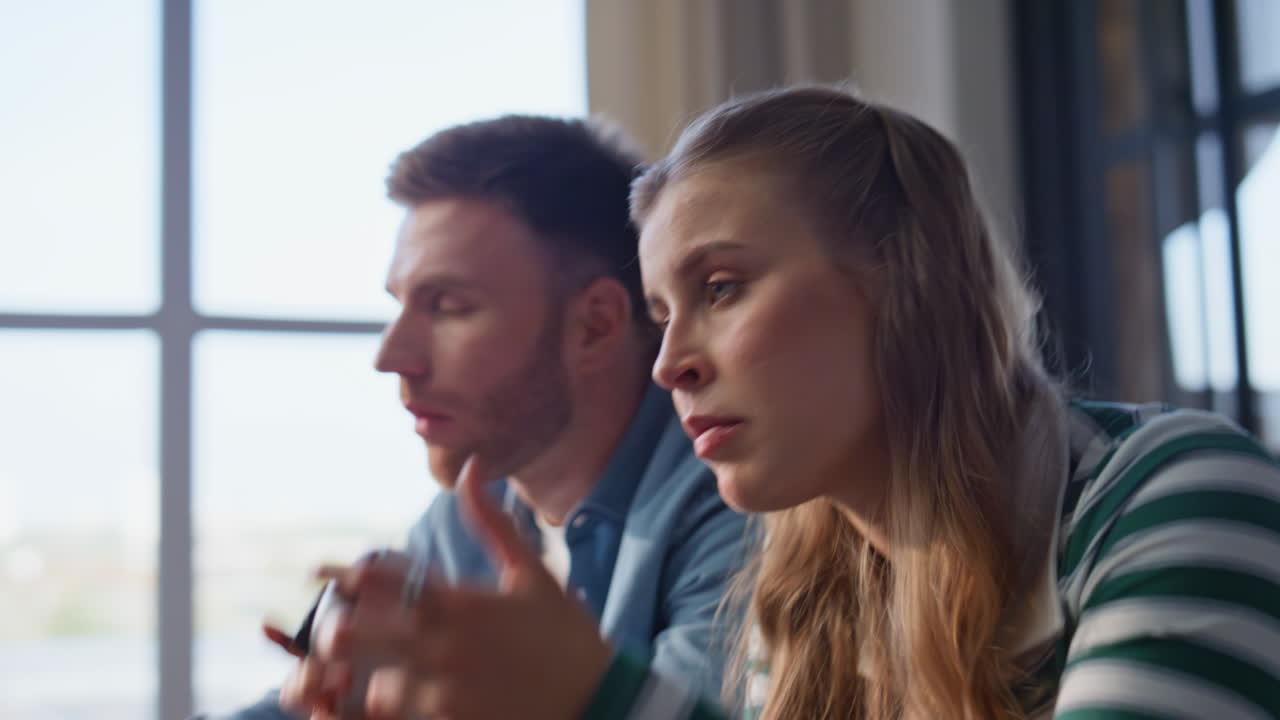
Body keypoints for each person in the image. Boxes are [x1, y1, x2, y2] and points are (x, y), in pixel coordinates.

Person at [315, 86, 1280, 720]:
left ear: (905, 283)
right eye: (665, 310)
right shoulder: (809, 590)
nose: (670, 364)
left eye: (722, 288)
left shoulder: (1176, 497)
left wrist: (601, 701)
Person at [204, 115, 747, 720]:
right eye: (399, 305)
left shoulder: (735, 505)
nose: (391, 357)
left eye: (449, 307)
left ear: (594, 324)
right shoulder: (467, 517)